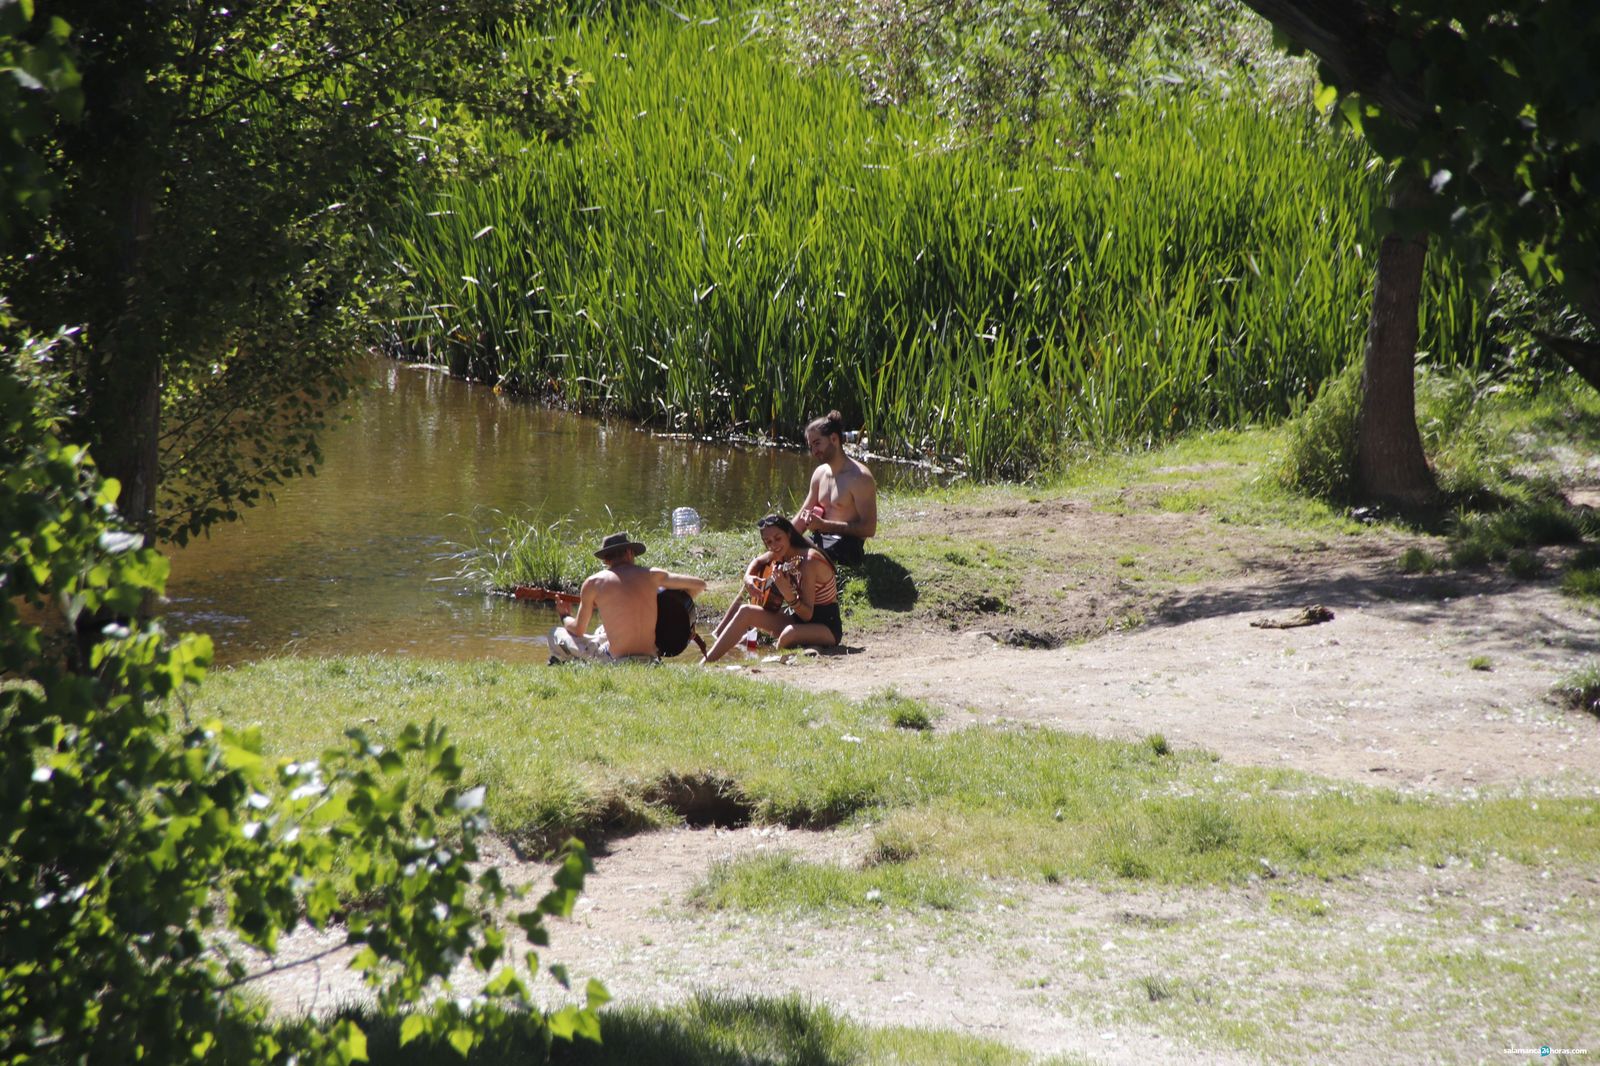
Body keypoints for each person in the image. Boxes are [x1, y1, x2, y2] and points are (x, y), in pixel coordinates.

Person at [549, 531, 706, 663]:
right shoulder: (653, 575)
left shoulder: (593, 583)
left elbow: (578, 630)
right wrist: (674, 601)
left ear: (606, 560)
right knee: (601, 630)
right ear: (630, 553)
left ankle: (565, 662)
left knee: (555, 633)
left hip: (616, 660)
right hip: (650, 660)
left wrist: (564, 616)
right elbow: (700, 584)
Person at [702, 514, 841, 663]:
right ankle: (705, 662)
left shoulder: (809, 560)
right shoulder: (780, 553)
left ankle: (768, 649)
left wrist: (788, 594)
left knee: (788, 635)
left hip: (826, 626)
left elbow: (807, 614)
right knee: (745, 611)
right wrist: (748, 578)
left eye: (778, 538)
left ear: (789, 533)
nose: (774, 545)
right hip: (798, 619)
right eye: (768, 542)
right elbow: (757, 561)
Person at [791, 409, 876, 566]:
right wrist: (783, 539)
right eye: (811, 446)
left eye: (817, 444)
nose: (814, 451)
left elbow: (869, 528)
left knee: (807, 559)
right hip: (820, 540)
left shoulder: (859, 477)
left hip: (847, 545)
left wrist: (824, 526)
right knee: (789, 550)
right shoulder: (819, 474)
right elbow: (804, 514)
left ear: (834, 439)